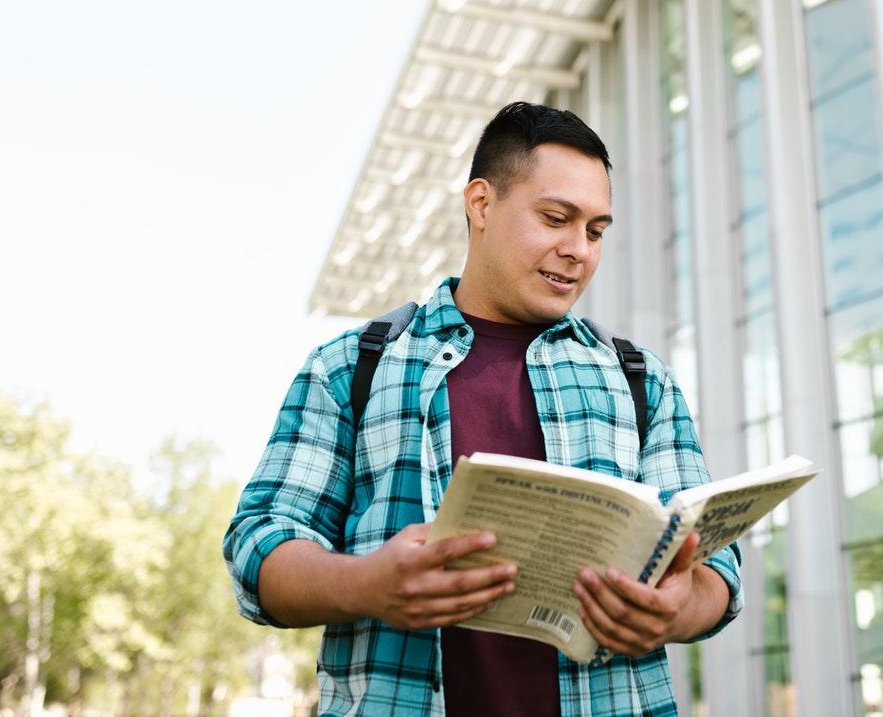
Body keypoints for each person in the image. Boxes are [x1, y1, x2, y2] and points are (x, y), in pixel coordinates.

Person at [223, 102, 742, 715]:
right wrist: (367, 585)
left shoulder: (641, 381)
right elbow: (260, 544)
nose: (578, 250)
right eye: (556, 218)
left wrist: (675, 608)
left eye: (596, 231)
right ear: (481, 204)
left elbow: (717, 573)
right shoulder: (350, 368)